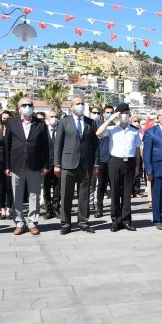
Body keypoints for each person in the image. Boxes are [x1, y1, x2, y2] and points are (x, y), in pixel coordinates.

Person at [54, 96, 100, 235]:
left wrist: (96, 164)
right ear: (71, 106)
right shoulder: (64, 122)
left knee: (84, 195)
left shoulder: (91, 122)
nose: (81, 105)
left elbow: (95, 145)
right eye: (78, 103)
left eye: (82, 103)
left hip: (85, 164)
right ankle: (66, 223)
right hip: (67, 164)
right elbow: (58, 144)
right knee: (66, 195)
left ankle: (83, 222)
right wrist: (57, 164)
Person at [5, 97, 50, 235]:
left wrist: (46, 164)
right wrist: (7, 166)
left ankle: (32, 223)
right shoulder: (11, 123)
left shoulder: (40, 123)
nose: (27, 107)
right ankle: (19, 222)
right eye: (24, 105)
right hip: (16, 165)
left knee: (34, 195)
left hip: (35, 165)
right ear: (19, 108)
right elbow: (7, 145)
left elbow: (46, 146)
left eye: (30, 105)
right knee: (17, 196)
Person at [97, 103, 141, 231]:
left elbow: (137, 149)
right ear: (118, 115)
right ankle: (116, 220)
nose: (124, 116)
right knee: (115, 192)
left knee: (127, 193)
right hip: (115, 162)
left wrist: (137, 166)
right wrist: (110, 119)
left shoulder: (135, 130)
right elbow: (98, 133)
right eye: (122, 113)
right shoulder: (112, 129)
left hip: (129, 162)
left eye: (127, 113)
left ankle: (126, 220)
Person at [0, 110, 14, 220]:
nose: (6, 120)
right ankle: (2, 209)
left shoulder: (15, 131)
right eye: (4, 118)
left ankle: (9, 209)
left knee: (9, 187)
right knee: (0, 187)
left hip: (11, 162)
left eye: (8, 118)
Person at [42, 110, 61, 220]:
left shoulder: (61, 129)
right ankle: (49, 210)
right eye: (52, 116)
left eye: (56, 116)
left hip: (58, 164)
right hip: (46, 165)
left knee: (58, 188)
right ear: (47, 118)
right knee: (46, 188)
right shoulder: (43, 131)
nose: (54, 118)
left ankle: (56, 209)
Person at [130, 115, 143, 198]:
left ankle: (136, 191)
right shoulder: (130, 131)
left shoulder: (141, 133)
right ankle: (130, 191)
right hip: (131, 155)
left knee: (138, 173)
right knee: (130, 173)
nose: (137, 123)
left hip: (139, 155)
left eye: (138, 121)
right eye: (135, 121)